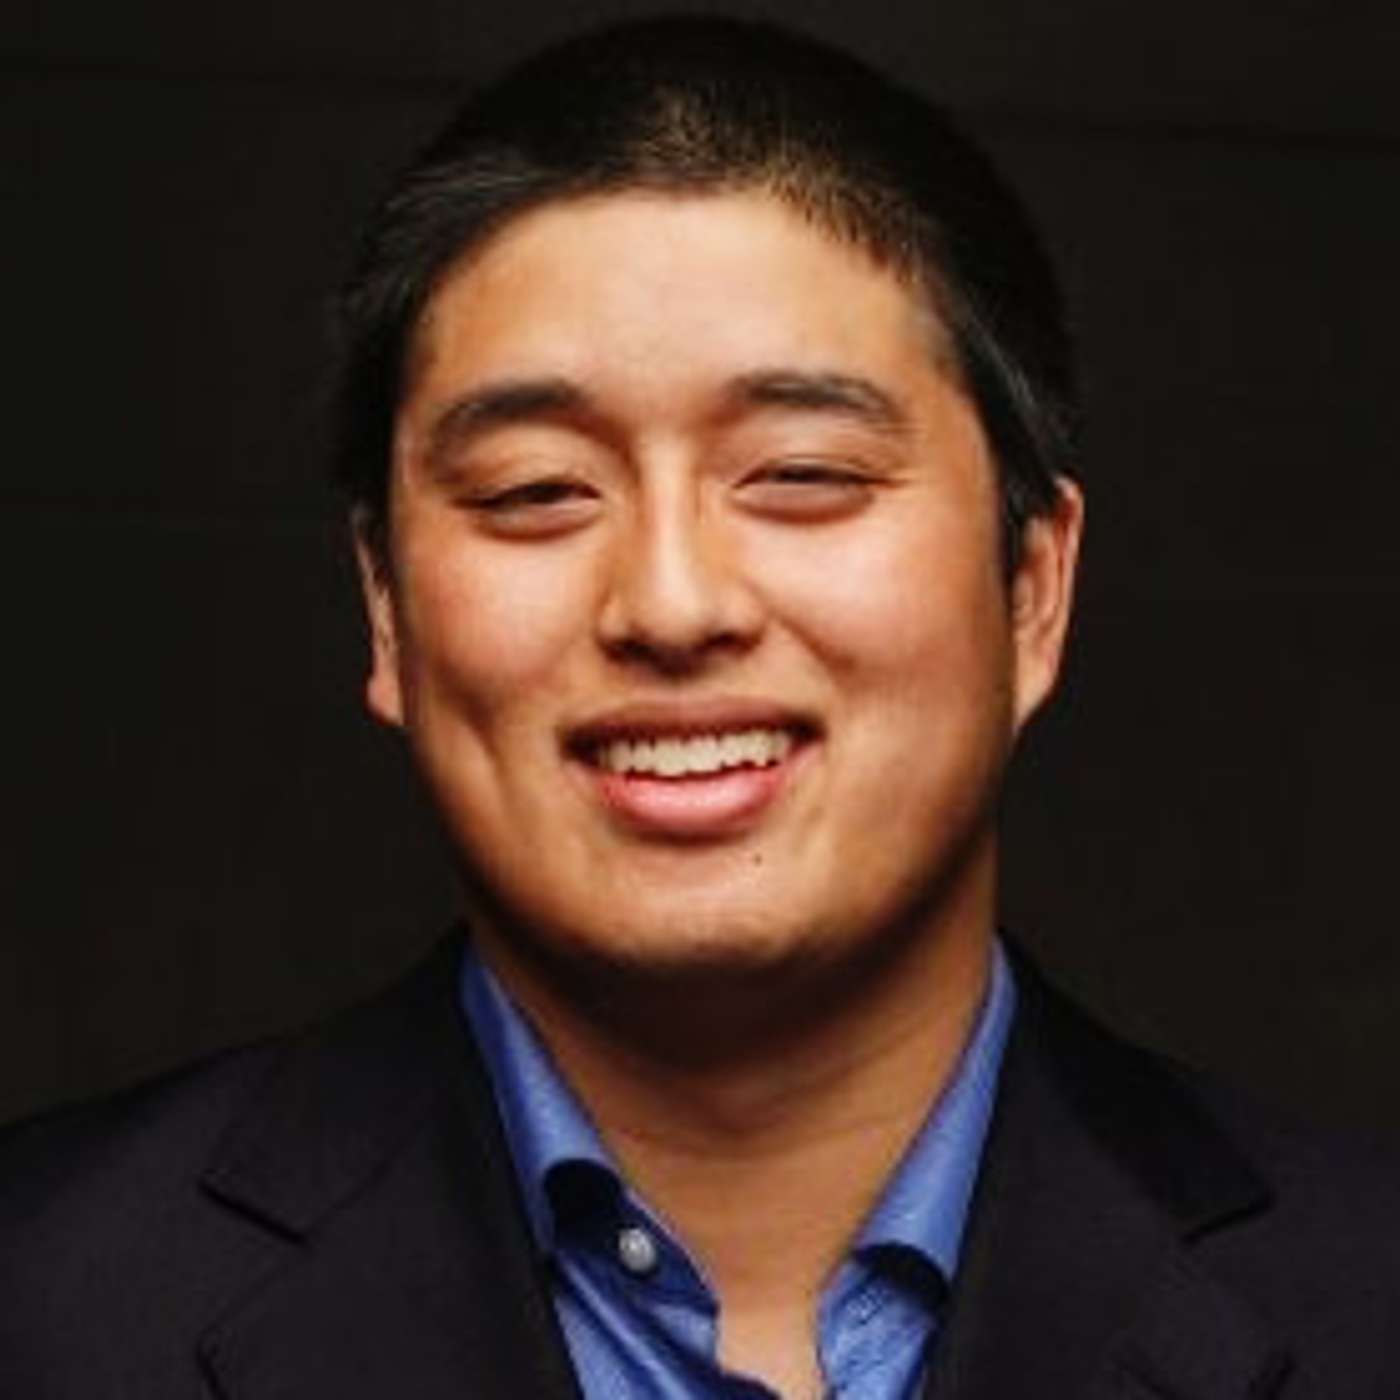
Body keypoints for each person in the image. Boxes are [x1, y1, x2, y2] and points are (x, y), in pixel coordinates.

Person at [2, 17, 1396, 1399]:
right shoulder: (46, 1301)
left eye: (802, 474)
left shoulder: (1365, 1296)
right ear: (386, 609)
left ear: (1032, 586)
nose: (671, 604)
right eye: (536, 491)